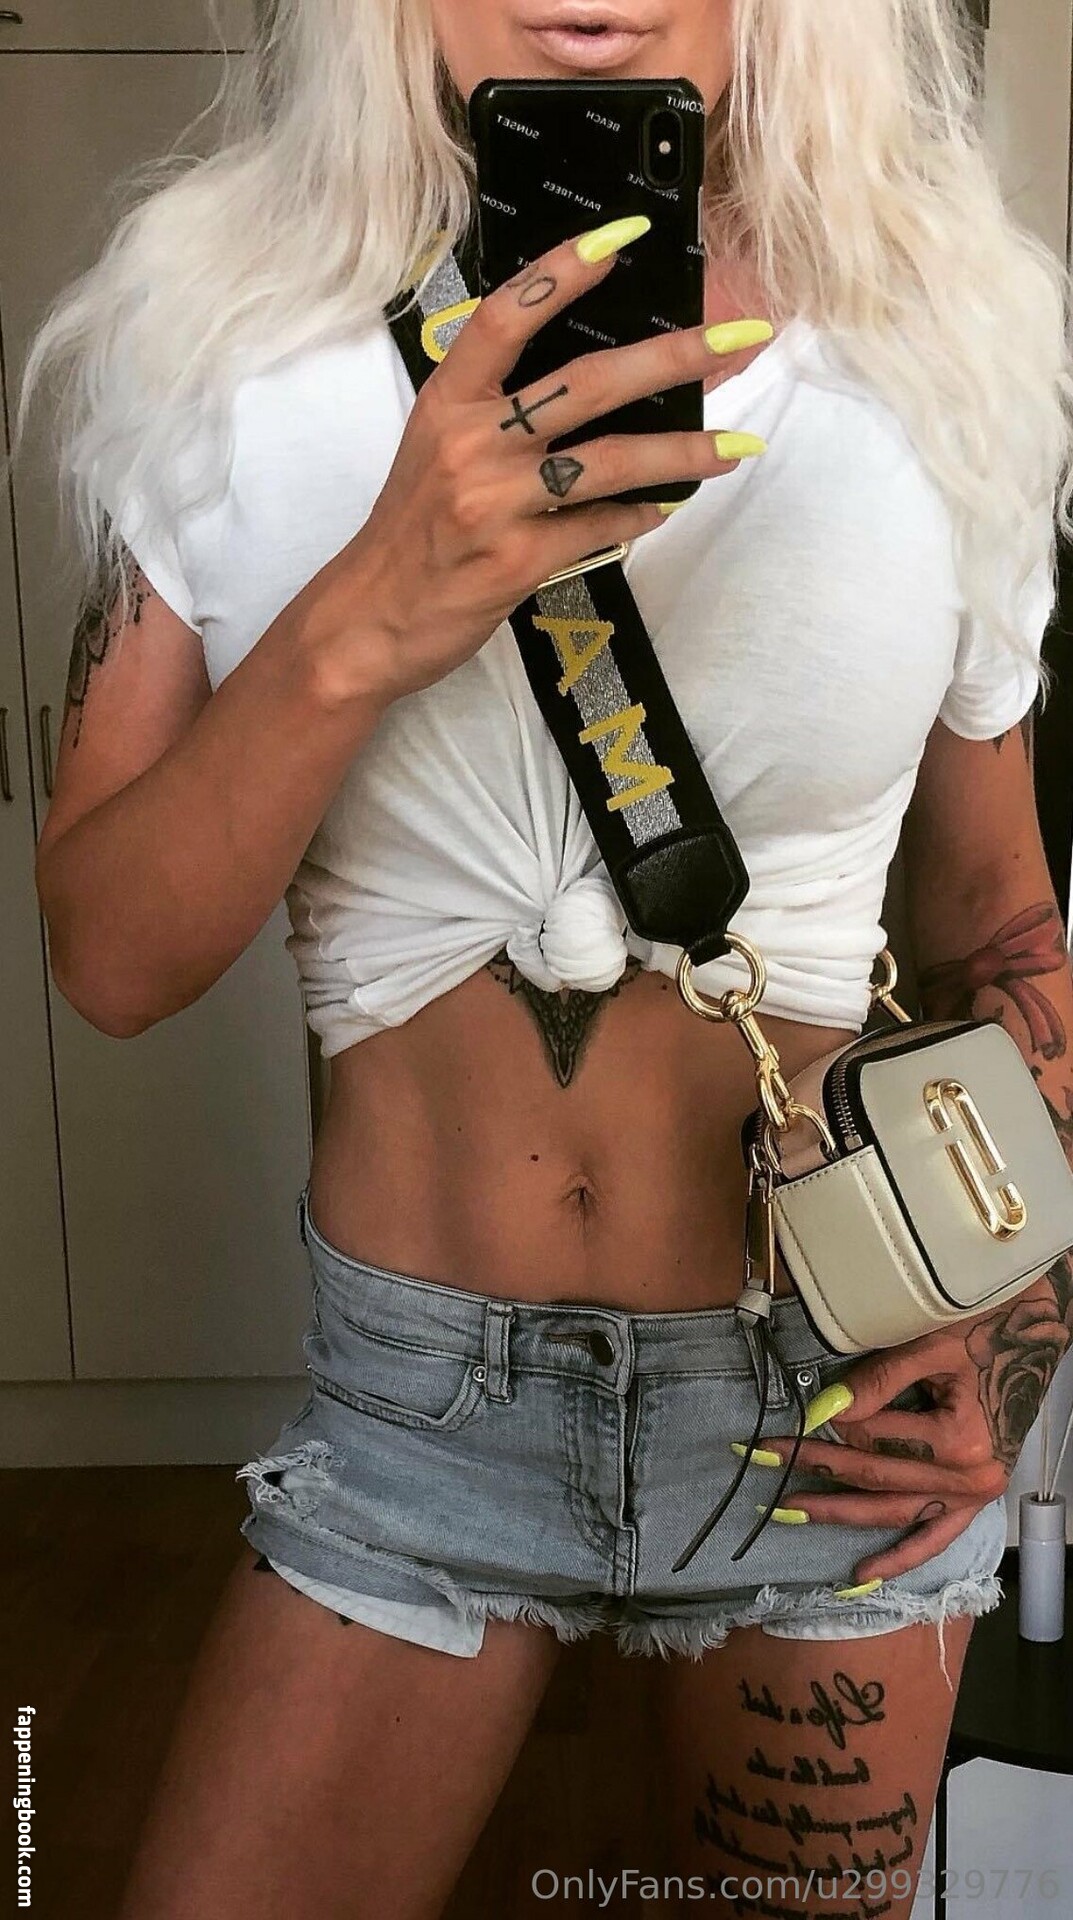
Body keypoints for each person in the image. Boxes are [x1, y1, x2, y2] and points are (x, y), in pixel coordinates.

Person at [17, 1, 1073, 1914]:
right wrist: (371, 599)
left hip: (823, 1399)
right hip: (419, 1418)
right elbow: (111, 957)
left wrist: (1018, 1317)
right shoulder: (212, 330)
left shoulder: (945, 335)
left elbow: (998, 917)